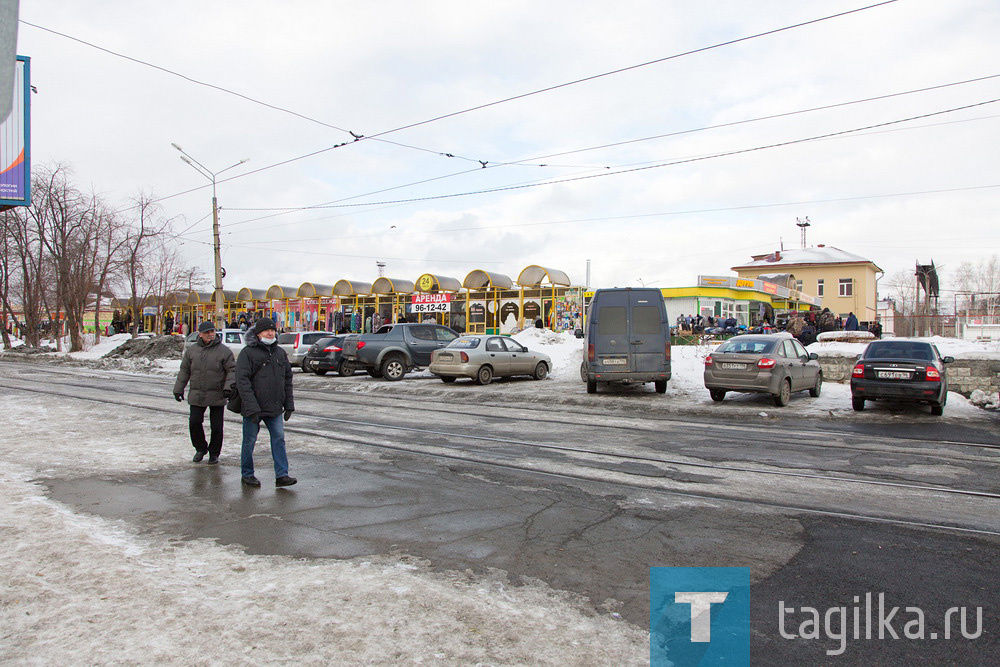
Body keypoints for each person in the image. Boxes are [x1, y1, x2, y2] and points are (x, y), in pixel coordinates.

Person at [235, 317, 297, 488]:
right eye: (266, 330)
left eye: (272, 330)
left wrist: (289, 404)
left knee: (279, 439)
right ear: (258, 333)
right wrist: (252, 407)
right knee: (249, 441)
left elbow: (287, 380)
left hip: (275, 407)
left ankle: (282, 475)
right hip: (253, 408)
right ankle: (247, 474)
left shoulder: (280, 353)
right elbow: (242, 381)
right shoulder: (248, 353)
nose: (270, 333)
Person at [173, 321, 235, 464]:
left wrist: (228, 387)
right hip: (197, 393)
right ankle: (200, 448)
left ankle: (214, 453)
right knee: (194, 422)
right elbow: (184, 371)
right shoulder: (192, 351)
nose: (210, 335)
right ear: (200, 334)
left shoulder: (224, 351)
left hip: (217, 394)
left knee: (217, 427)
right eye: (207, 332)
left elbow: (232, 370)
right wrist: (178, 389)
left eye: (212, 332)